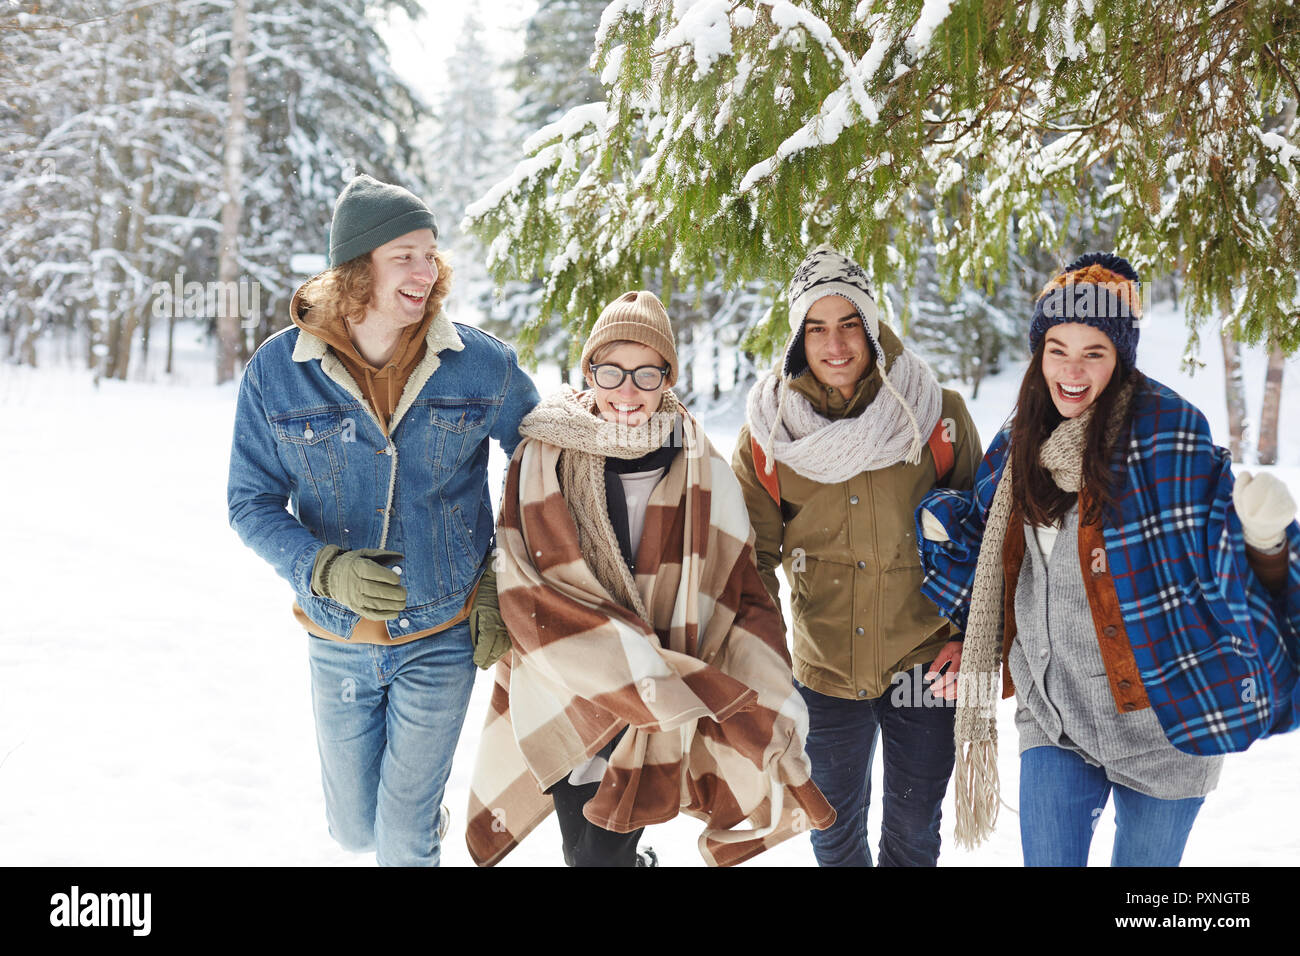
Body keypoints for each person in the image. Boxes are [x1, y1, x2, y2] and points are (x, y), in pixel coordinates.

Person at [916, 252, 1300, 866]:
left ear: (1120, 356)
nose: (1071, 370)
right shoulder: (1023, 438)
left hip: (1164, 728)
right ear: (1038, 353)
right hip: (1055, 717)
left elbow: (1224, 563)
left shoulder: (1169, 434)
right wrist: (971, 631)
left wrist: (1267, 541)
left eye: (1093, 351)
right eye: (1057, 348)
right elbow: (994, 551)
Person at [227, 174, 540, 866]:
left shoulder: (481, 365)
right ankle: (413, 814)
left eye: (431, 254)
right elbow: (248, 502)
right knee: (353, 832)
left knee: (400, 840)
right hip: (336, 636)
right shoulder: (279, 372)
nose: (426, 272)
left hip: (443, 632)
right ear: (356, 268)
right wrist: (322, 568)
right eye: (405, 255)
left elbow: (542, 472)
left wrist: (503, 578)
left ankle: (417, 819)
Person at [464, 290, 834, 867]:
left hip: (660, 692)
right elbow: (519, 571)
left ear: (668, 377)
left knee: (599, 859)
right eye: (611, 371)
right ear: (589, 371)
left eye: (646, 373)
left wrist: (771, 686)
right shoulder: (542, 455)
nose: (627, 391)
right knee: (579, 851)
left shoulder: (700, 465)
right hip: (566, 682)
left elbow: (737, 586)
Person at [731, 246, 982, 867]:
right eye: (816, 327)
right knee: (832, 829)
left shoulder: (937, 416)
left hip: (926, 664)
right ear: (798, 337)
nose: (834, 344)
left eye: (849, 323)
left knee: (914, 831)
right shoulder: (770, 434)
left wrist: (971, 640)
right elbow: (754, 560)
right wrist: (765, 662)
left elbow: (984, 539)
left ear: (871, 326)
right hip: (822, 670)